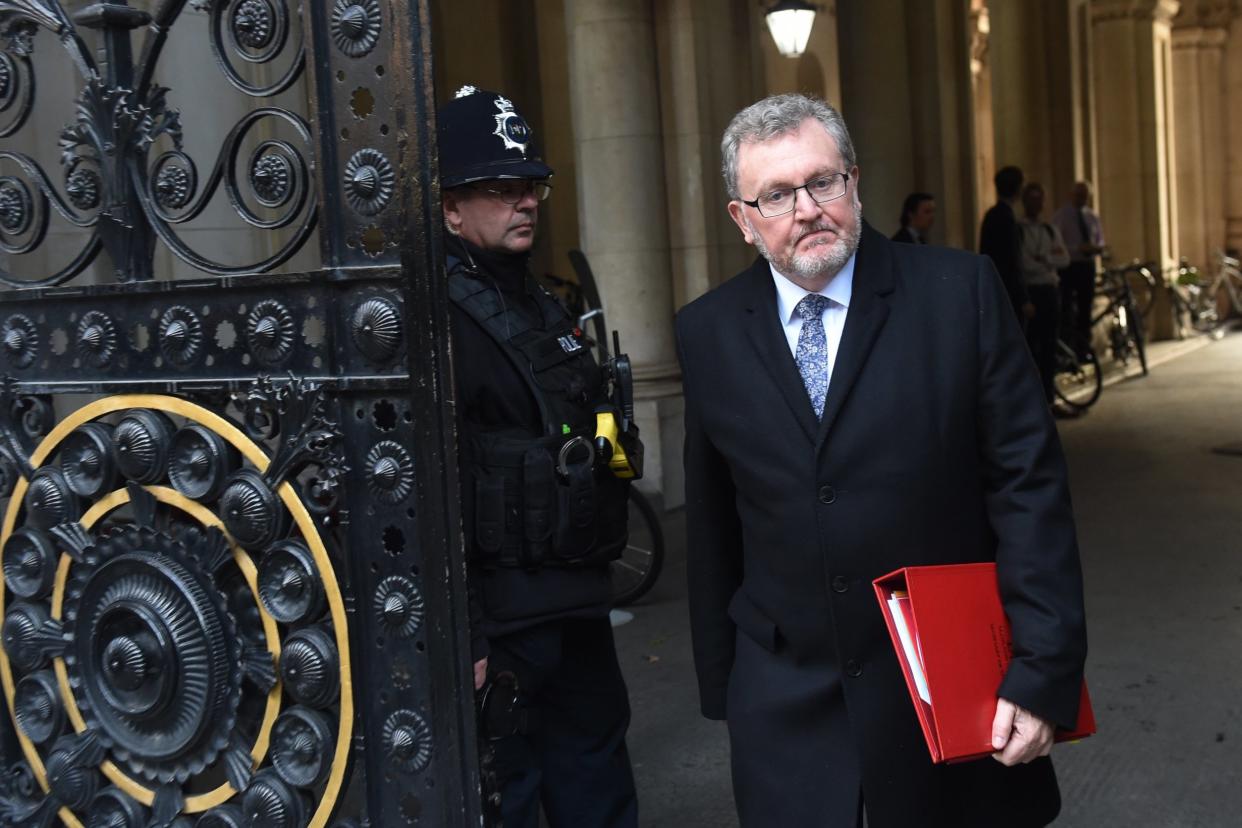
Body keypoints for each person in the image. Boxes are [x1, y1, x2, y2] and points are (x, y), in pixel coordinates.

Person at [675, 93, 1087, 828]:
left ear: (854, 182)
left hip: (951, 687)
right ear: (742, 218)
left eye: (822, 181)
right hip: (784, 697)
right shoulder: (706, 331)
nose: (806, 209)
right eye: (775, 194)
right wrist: (726, 683)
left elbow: (1029, 490)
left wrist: (1043, 671)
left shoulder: (958, 294)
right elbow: (714, 522)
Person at [437, 85, 638, 828]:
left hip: (577, 597)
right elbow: (435, 490)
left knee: (597, 781)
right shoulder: (437, 321)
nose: (525, 203)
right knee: (510, 797)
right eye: (501, 189)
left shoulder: (540, 301)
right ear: (452, 206)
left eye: (532, 188)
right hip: (509, 622)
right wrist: (469, 635)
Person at [1018, 182, 1071, 405]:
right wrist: (1046, 262)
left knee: (1049, 347)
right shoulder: (1019, 230)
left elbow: (1064, 259)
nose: (1036, 204)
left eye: (1039, 199)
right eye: (1032, 199)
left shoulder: (1050, 230)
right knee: (1031, 348)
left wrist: (1046, 260)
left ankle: (1049, 398)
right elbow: (1023, 264)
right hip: (1032, 291)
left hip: (1050, 292)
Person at [1053, 181, 1106, 361]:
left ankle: (1083, 350)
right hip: (1069, 266)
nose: (1082, 199)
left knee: (1086, 308)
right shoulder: (1062, 216)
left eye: (1085, 196)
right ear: (1071, 195)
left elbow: (1099, 239)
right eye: (1079, 195)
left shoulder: (1092, 216)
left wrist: (1096, 248)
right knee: (1067, 309)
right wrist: (1078, 248)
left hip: (1087, 265)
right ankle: (1067, 350)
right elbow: (1057, 245)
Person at [980, 165, 1033, 323]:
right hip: (1007, 293)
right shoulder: (1006, 217)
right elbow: (1012, 261)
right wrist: (1023, 298)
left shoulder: (993, 214)